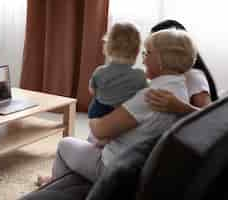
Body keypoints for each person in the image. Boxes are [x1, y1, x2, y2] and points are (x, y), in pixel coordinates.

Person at [36, 28, 197, 186]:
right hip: (137, 160)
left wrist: (96, 107)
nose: (143, 59)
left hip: (114, 168)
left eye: (147, 53)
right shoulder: (179, 90)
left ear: (163, 59)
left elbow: (100, 130)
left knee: (66, 144)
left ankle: (55, 185)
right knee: (92, 140)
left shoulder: (150, 96)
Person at [87, 22, 147, 146]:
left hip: (99, 113)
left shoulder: (100, 71)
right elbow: (144, 95)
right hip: (123, 114)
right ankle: (112, 139)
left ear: (107, 47)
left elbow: (92, 90)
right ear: (136, 50)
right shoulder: (140, 75)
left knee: (96, 104)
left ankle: (98, 140)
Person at [145, 20, 218, 114]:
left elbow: (209, 116)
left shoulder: (192, 75)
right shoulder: (168, 76)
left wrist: (180, 107)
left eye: (150, 51)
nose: (145, 58)